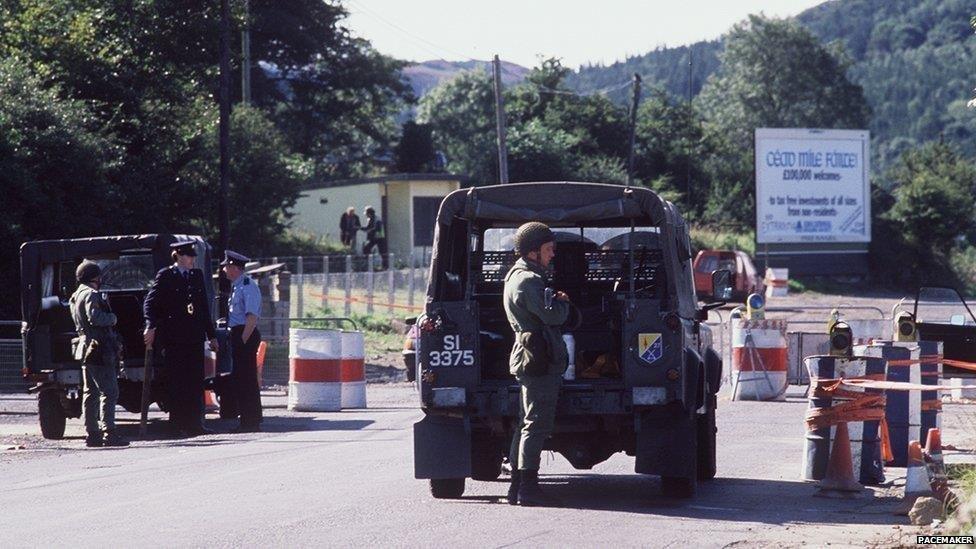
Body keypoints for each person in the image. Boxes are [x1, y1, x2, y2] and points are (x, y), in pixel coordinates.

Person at [504, 222, 571, 507]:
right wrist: (563, 303)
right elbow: (553, 317)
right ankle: (527, 488)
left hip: (532, 355)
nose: (552, 254)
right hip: (537, 358)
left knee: (525, 423)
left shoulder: (519, 275)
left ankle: (518, 486)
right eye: (548, 249)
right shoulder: (529, 281)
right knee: (535, 424)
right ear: (533, 252)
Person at [143, 240, 218, 438]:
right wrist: (151, 325)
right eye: (189, 256)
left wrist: (211, 335)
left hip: (193, 336)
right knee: (177, 382)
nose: (193, 259)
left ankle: (195, 423)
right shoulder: (166, 275)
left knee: (194, 382)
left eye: (194, 256)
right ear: (178, 256)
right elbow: (150, 303)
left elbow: (203, 307)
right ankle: (176, 424)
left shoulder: (196, 275)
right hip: (174, 337)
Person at [70, 261, 128, 447]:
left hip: (85, 348)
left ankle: (92, 433)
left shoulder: (76, 294)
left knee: (90, 393)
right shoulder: (91, 294)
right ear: (94, 277)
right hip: (99, 348)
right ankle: (109, 432)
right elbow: (95, 318)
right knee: (109, 391)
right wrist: (113, 317)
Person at [221, 250, 263, 432]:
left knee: (246, 379)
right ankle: (248, 419)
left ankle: (251, 421)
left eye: (226, 266)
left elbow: (252, 318)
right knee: (241, 379)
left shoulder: (247, 285)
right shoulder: (237, 286)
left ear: (234, 268)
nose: (223, 269)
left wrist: (242, 341)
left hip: (245, 334)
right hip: (238, 333)